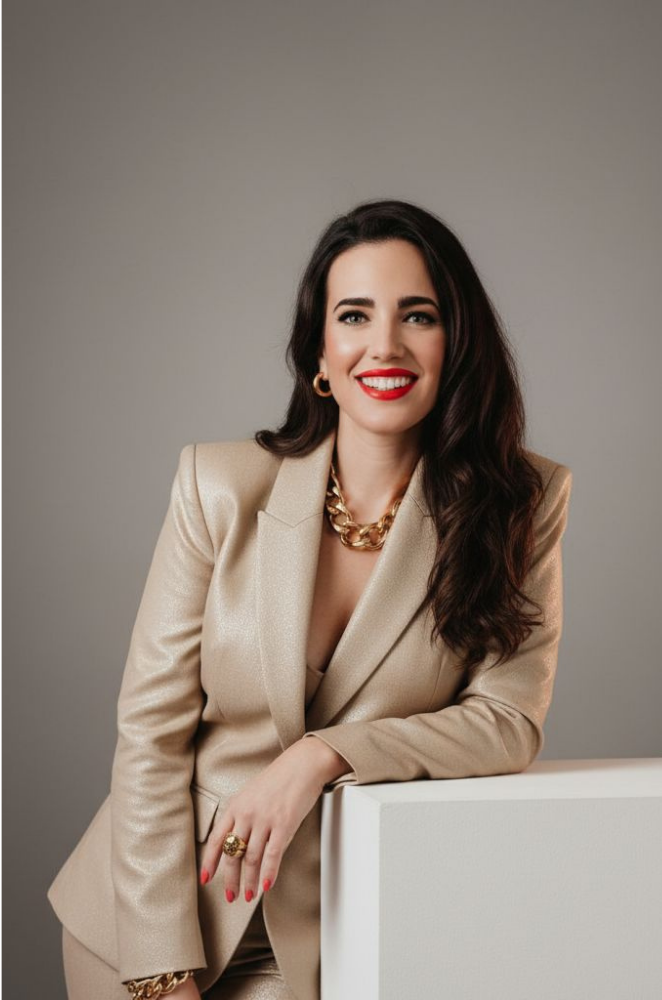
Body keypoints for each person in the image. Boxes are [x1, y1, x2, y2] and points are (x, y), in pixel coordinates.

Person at [47, 198, 573, 999]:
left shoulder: (519, 501)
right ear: (320, 354)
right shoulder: (218, 486)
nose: (385, 344)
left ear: (457, 343)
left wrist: (321, 756)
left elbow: (507, 720)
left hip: (330, 931)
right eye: (354, 315)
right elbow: (150, 734)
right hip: (148, 915)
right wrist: (161, 971)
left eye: (419, 315)